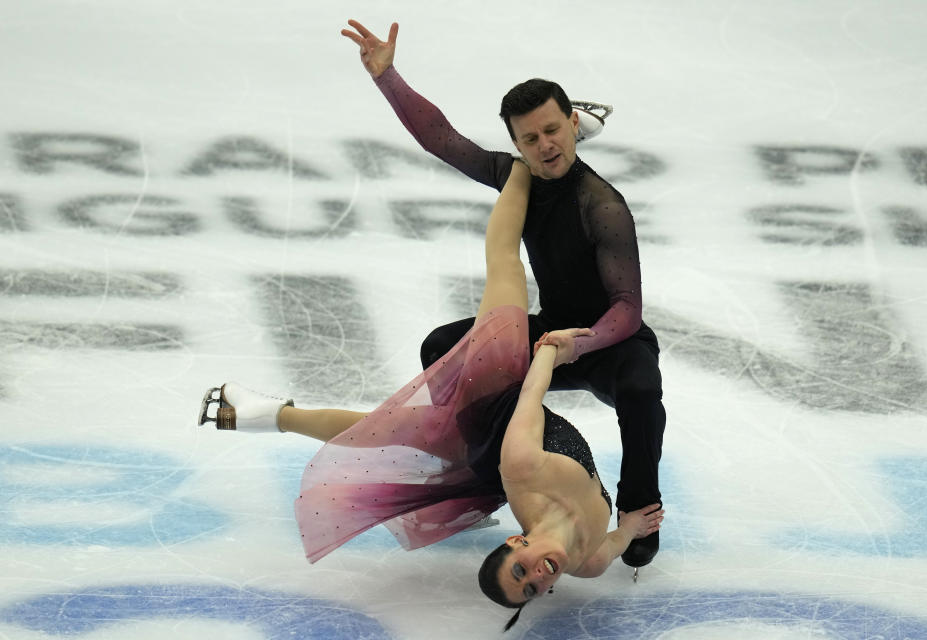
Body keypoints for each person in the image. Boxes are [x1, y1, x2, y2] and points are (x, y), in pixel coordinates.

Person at [199, 161, 664, 630]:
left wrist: (548, 351)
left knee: (504, 265)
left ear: (515, 543)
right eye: (530, 590)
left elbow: (528, 399)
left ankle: (518, 171)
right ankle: (271, 415)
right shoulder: (590, 562)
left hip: (493, 402)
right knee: (379, 430)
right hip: (486, 465)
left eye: (519, 571)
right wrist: (633, 529)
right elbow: (617, 540)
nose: (537, 579)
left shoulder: (525, 467)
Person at [340, 19, 666, 574]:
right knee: (443, 348)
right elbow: (444, 141)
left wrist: (577, 345)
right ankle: (487, 473)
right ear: (516, 143)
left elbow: (627, 308)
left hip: (607, 341)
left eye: (553, 130)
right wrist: (388, 76)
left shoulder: (602, 204)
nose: (545, 146)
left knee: (641, 389)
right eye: (530, 139)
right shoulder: (520, 177)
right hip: (549, 334)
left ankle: (640, 507)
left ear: (571, 124)